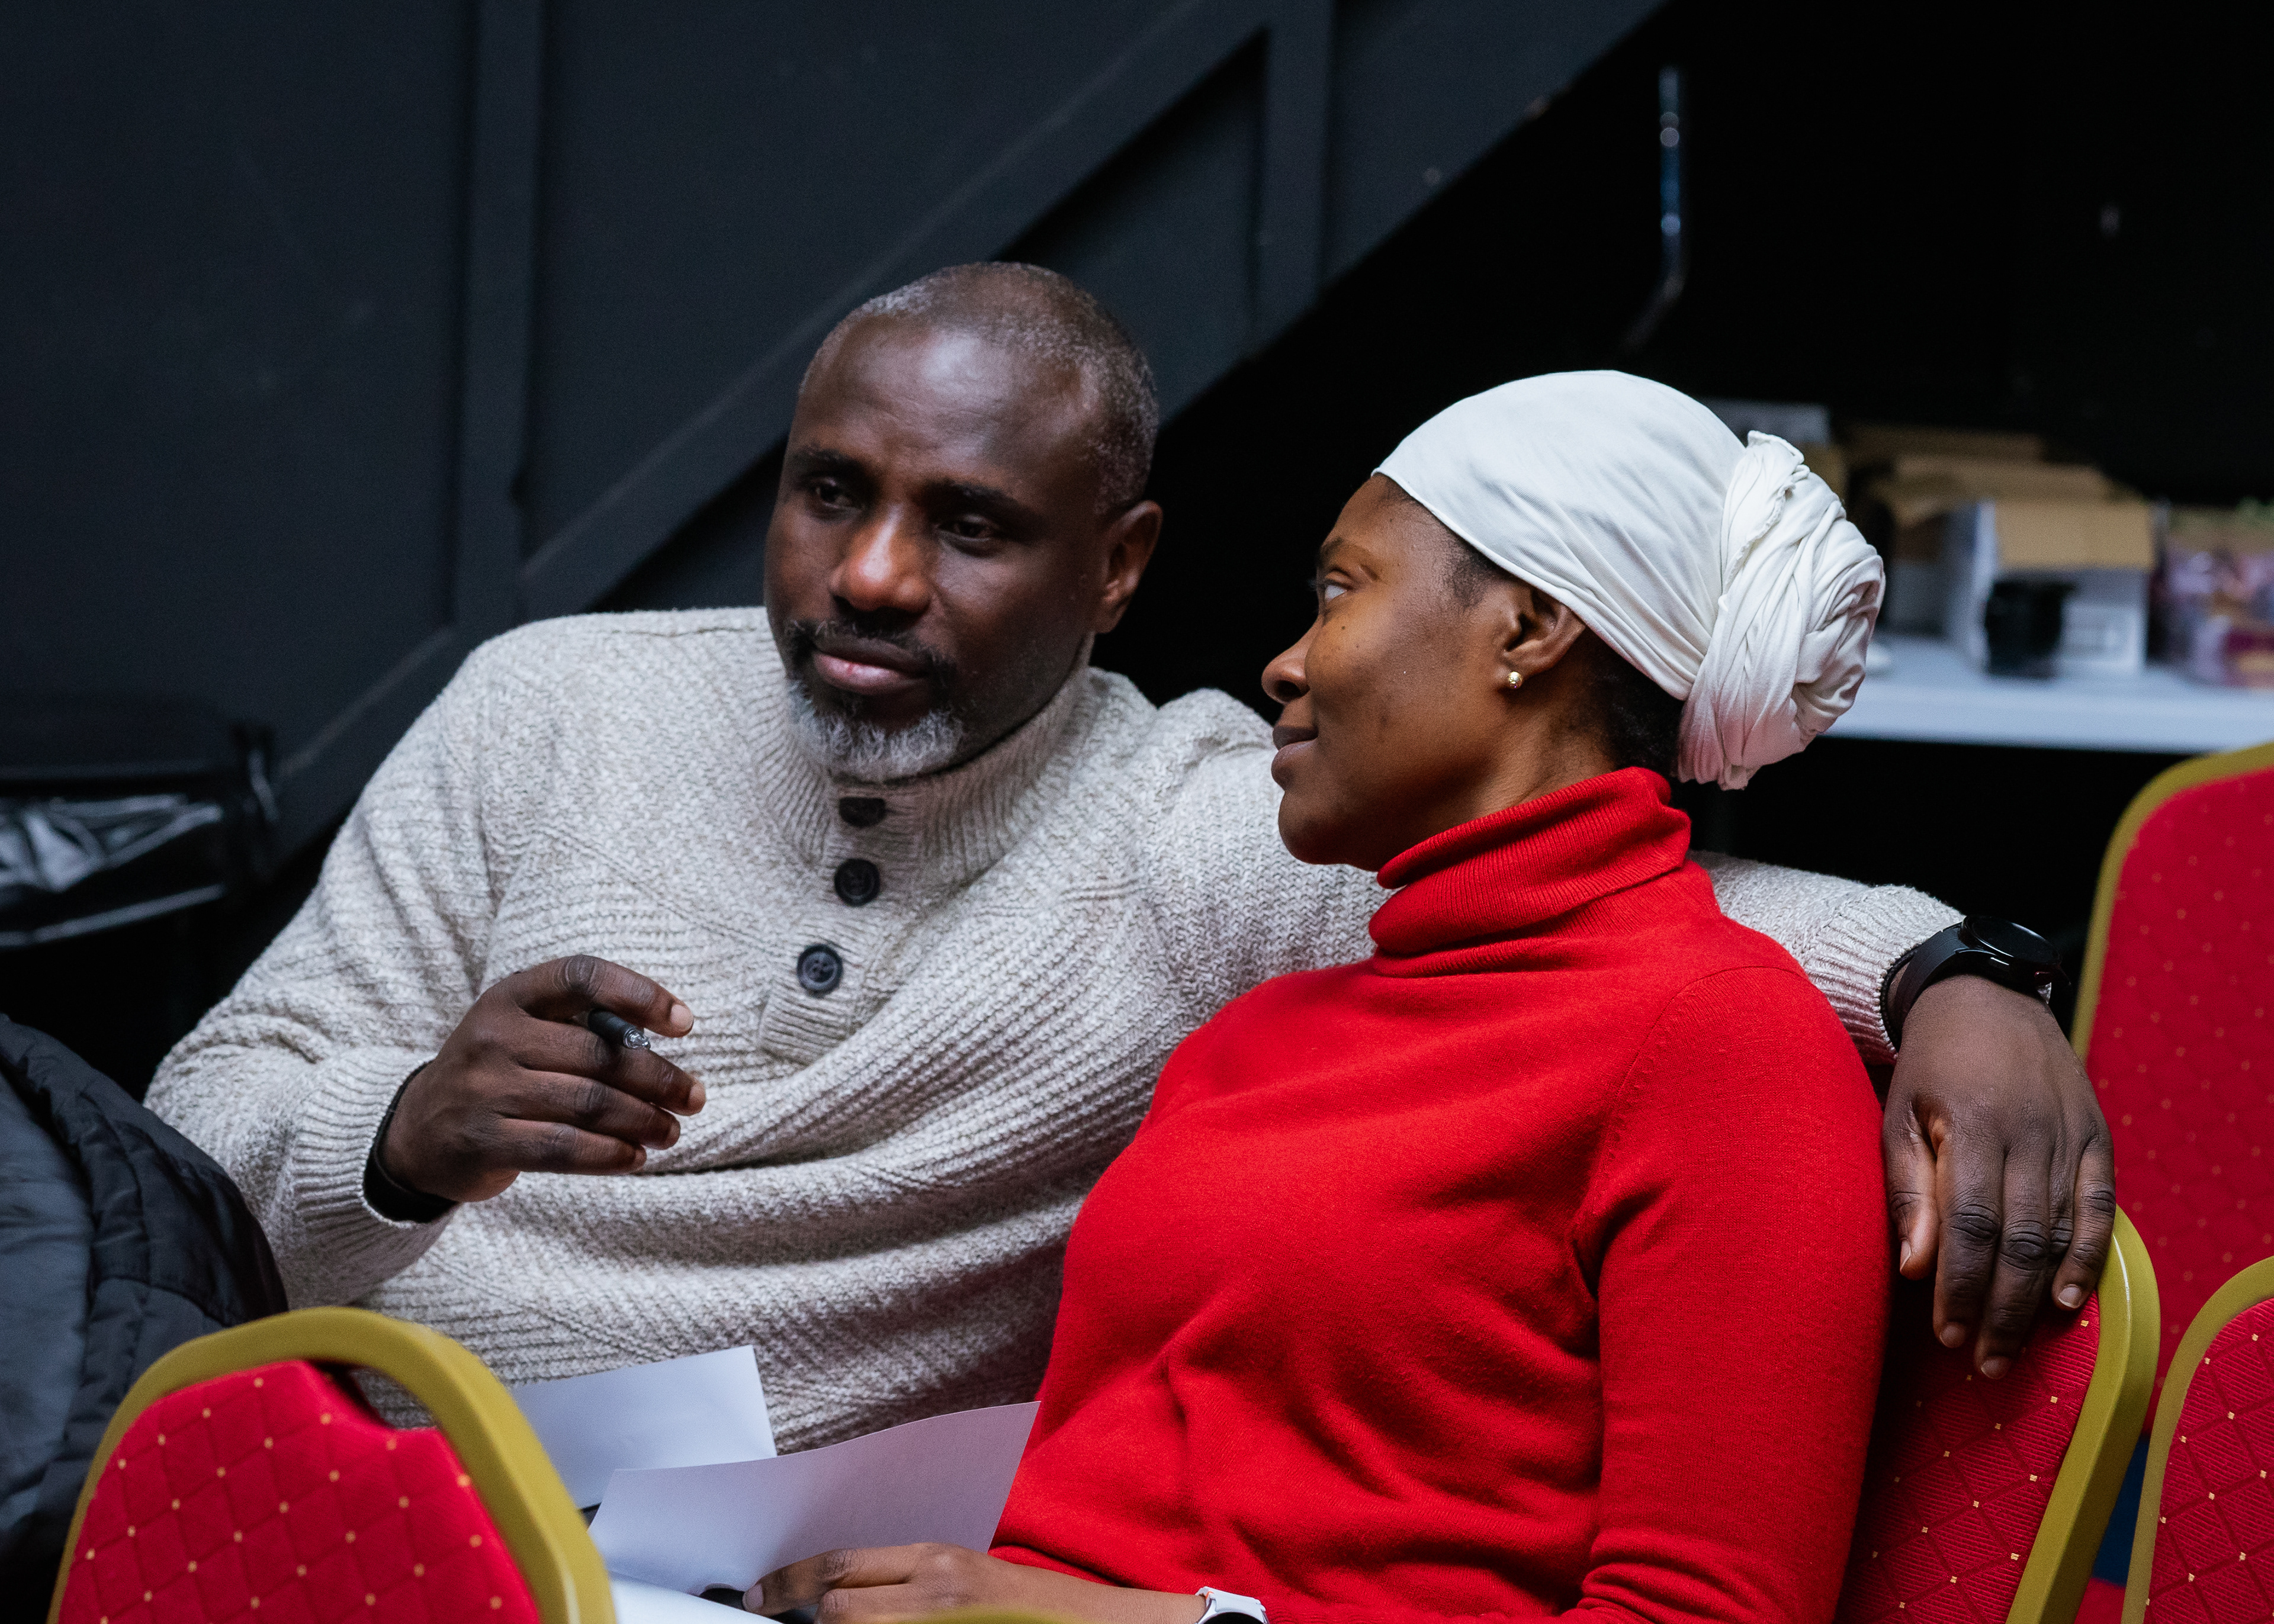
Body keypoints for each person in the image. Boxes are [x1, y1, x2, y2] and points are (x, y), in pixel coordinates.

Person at [148, 265, 2108, 1453]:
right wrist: (400, 1131)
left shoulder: (1188, 823)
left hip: (759, 1573)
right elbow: (199, 1135)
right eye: (830, 494)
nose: (870, 574)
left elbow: (1631, 910)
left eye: (970, 526)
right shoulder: (547, 706)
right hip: (344, 1473)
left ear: (1120, 568)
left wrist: (1952, 973)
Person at [744, 373, 1893, 1624]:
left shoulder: (1726, 1044)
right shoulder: (1254, 1035)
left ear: (1528, 628)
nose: (1284, 665)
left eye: (1343, 591)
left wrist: (1087, 1619)